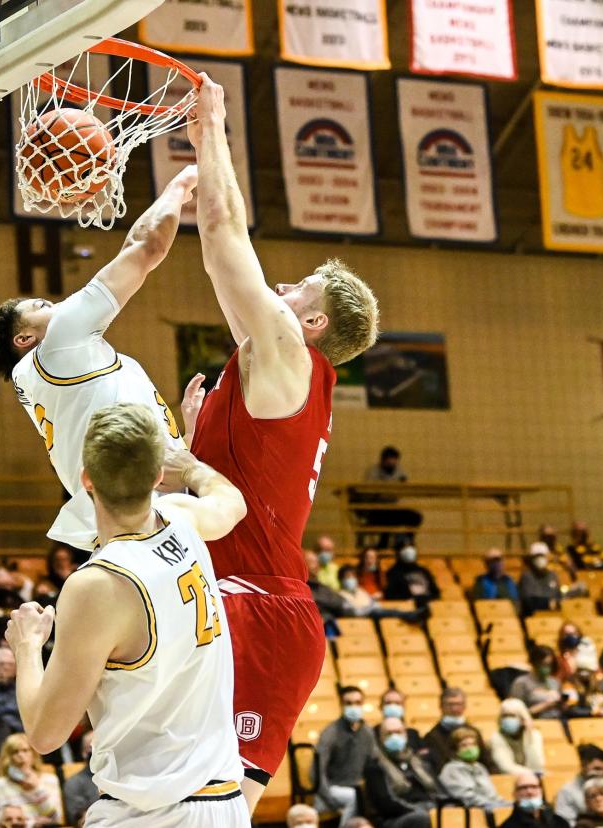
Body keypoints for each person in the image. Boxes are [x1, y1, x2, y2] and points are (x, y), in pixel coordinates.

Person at [184, 74, 379, 812]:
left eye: (295, 288)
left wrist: (213, 135)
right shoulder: (266, 371)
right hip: (227, 596)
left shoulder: (295, 359)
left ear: (316, 325)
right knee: (161, 801)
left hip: (262, 608)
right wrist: (186, 441)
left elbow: (224, 234)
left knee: (204, 812)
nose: (281, 289)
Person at [5, 402, 249, 825]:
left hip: (149, 812)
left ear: (86, 480)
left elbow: (45, 733)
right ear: (157, 477)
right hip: (225, 804)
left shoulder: (95, 585)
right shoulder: (182, 520)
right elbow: (233, 503)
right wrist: (190, 467)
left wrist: (26, 648)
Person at [0, 168, 200, 555]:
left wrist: (190, 435)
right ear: (24, 339)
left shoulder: (58, 375)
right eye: (43, 306)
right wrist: (182, 184)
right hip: (143, 523)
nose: (59, 305)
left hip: (136, 522)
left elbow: (168, 465)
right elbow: (147, 248)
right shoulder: (59, 345)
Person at [314, 685, 377, 822]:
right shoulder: (330, 732)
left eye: (358, 703)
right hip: (332, 789)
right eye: (348, 703)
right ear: (341, 705)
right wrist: (328, 799)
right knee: (355, 796)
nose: (353, 707)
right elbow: (317, 771)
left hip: (358, 787)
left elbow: (375, 762)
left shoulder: (368, 732)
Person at [363, 717, 440, 828]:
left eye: (398, 732)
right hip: (395, 817)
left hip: (426, 808)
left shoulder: (418, 761)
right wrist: (416, 810)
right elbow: (386, 804)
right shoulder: (375, 766)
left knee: (453, 814)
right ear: (380, 738)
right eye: (389, 734)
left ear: (405, 735)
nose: (394, 737)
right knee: (421, 818)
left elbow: (436, 790)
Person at [357, 447, 423, 548]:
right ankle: (384, 545)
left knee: (415, 517)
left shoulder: (399, 472)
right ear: (383, 460)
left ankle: (407, 542)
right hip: (374, 509)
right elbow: (368, 492)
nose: (392, 463)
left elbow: (405, 485)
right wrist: (384, 489)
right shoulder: (373, 472)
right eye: (390, 460)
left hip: (391, 508)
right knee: (388, 518)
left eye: (395, 461)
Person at [0, 734, 63, 826]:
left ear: (33, 754)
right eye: (15, 752)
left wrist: (36, 789)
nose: (21, 755)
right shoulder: (1, 783)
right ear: (9, 758)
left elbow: (55, 818)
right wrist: (33, 823)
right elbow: (1, 820)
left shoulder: (50, 780)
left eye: (25, 751)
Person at [423, 687, 496, 775]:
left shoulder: (474, 732)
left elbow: (488, 763)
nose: (454, 709)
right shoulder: (432, 737)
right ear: (441, 706)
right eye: (450, 704)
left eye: (458, 704)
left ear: (465, 706)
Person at [439, 725, 509, 811]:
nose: (470, 748)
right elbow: (465, 796)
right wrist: (493, 805)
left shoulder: (480, 767)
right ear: (456, 750)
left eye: (473, 744)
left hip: (491, 805)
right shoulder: (451, 769)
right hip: (471, 810)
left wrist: (505, 804)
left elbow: (492, 794)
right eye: (464, 745)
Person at [554, 744, 603, 824]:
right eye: (597, 768)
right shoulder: (566, 791)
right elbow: (564, 823)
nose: (601, 773)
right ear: (583, 765)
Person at [489, 698, 545, 775]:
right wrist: (531, 774)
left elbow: (537, 764)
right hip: (507, 779)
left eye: (512, 716)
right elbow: (506, 767)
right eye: (504, 716)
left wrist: (530, 736)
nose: (507, 719)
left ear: (522, 718)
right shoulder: (496, 737)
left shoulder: (534, 735)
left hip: (531, 777)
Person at [508, 646, 562, 719]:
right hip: (533, 723)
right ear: (534, 663)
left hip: (557, 722)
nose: (547, 667)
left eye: (550, 664)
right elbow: (515, 713)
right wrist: (545, 705)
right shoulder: (521, 682)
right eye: (544, 664)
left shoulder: (554, 682)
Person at [502, 771, 570, 827]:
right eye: (523, 788)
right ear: (515, 794)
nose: (529, 792)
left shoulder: (560, 822)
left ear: (541, 791)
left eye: (534, 787)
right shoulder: (507, 826)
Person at [62, 730, 99, 825]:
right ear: (84, 753)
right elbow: (78, 820)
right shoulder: (74, 782)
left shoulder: (118, 777)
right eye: (92, 748)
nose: (97, 752)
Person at [518, 543, 562, 617]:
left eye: (542, 556)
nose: (540, 559)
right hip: (532, 617)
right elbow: (528, 601)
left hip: (553, 617)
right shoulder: (526, 577)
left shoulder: (553, 576)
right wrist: (548, 603)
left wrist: (556, 603)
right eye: (537, 557)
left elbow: (558, 597)